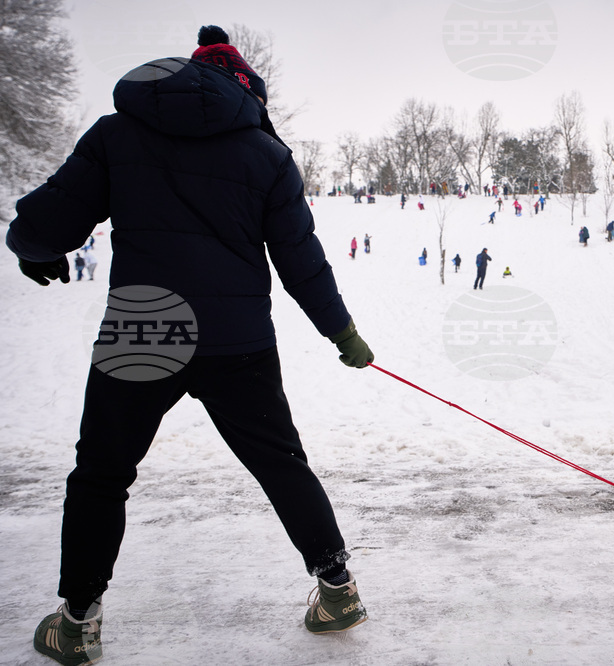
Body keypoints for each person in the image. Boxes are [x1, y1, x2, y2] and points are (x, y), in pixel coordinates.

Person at [6, 26, 374, 665]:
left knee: (102, 475)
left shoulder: (118, 134)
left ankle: (77, 623)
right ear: (244, 87)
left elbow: (49, 218)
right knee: (280, 462)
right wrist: (340, 332)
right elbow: (300, 259)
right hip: (238, 342)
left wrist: (35, 251)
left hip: (143, 328)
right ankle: (338, 591)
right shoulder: (267, 154)